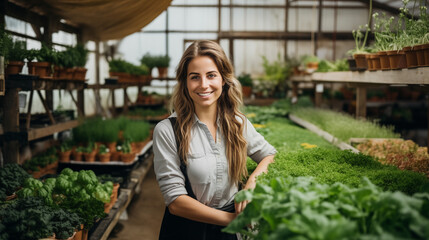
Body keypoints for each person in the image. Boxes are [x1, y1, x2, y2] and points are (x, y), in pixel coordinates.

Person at [153, 40, 276, 240]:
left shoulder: (238, 123)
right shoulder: (167, 130)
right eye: (194, 77)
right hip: (185, 231)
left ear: (223, 79)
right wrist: (233, 220)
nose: (204, 85)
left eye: (211, 75)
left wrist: (253, 181)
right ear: (185, 82)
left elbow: (269, 154)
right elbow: (175, 202)